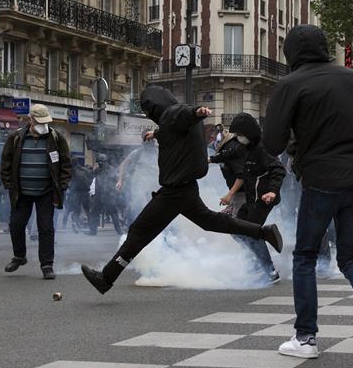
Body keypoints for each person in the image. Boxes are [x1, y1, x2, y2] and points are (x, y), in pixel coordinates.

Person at [263, 24, 353, 360]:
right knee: (351, 256)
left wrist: (298, 141)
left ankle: (306, 338)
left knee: (305, 255)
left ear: (291, 52)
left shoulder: (290, 84)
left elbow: (271, 143)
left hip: (321, 179)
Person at [80, 85, 283, 294]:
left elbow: (180, 115)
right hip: (187, 188)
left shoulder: (174, 114)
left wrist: (197, 112)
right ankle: (262, 232)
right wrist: (156, 133)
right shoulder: (176, 122)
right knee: (211, 221)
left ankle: (106, 277)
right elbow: (175, 127)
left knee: (138, 232)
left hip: (173, 192)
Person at [0, 103, 72, 279]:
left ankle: (47, 265)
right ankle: (19, 256)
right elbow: (6, 163)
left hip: (46, 192)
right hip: (21, 192)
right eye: (39, 121)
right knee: (16, 225)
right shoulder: (16, 137)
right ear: (30, 119)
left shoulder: (56, 138)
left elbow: (66, 164)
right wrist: (9, 184)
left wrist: (62, 186)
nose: (42, 124)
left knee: (46, 228)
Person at [220, 113, 286, 282]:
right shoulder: (245, 147)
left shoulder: (263, 149)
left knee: (251, 231)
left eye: (240, 135)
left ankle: (270, 270)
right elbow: (230, 154)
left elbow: (278, 170)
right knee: (235, 228)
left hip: (263, 198)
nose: (238, 138)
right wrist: (211, 159)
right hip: (251, 199)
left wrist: (272, 191)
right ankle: (256, 258)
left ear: (248, 133)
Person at [88, 153, 123, 235]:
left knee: (113, 213)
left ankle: (119, 231)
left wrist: (115, 191)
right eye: (99, 162)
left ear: (105, 162)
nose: (100, 164)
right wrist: (93, 170)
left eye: (101, 162)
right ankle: (93, 231)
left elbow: (117, 180)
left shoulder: (112, 170)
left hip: (109, 195)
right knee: (94, 212)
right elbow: (89, 177)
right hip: (99, 194)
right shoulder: (98, 170)